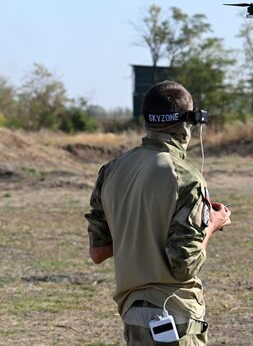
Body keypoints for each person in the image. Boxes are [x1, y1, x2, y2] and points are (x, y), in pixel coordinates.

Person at [85, 80, 231, 346]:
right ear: (187, 125)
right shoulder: (187, 178)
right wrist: (214, 222)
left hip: (133, 315)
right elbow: (184, 266)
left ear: (147, 121)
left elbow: (99, 252)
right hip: (176, 318)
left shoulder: (112, 170)